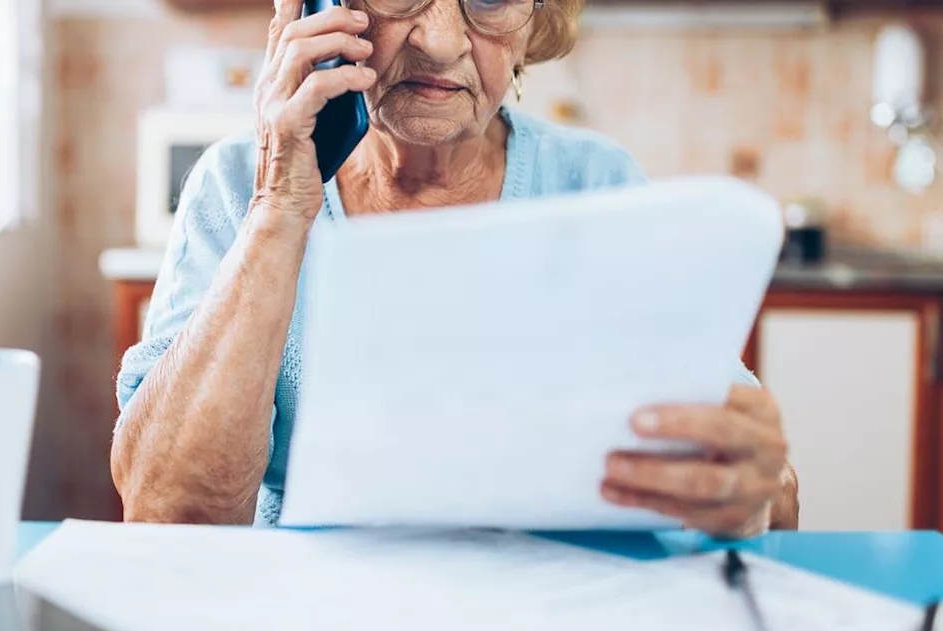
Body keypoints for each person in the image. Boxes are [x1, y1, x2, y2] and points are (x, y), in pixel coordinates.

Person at [111, 0, 799, 538]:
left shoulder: (598, 185)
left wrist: (744, 491)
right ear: (319, 9)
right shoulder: (240, 185)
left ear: (536, 23)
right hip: (305, 617)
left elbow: (764, 491)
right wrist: (280, 209)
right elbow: (165, 513)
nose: (439, 40)